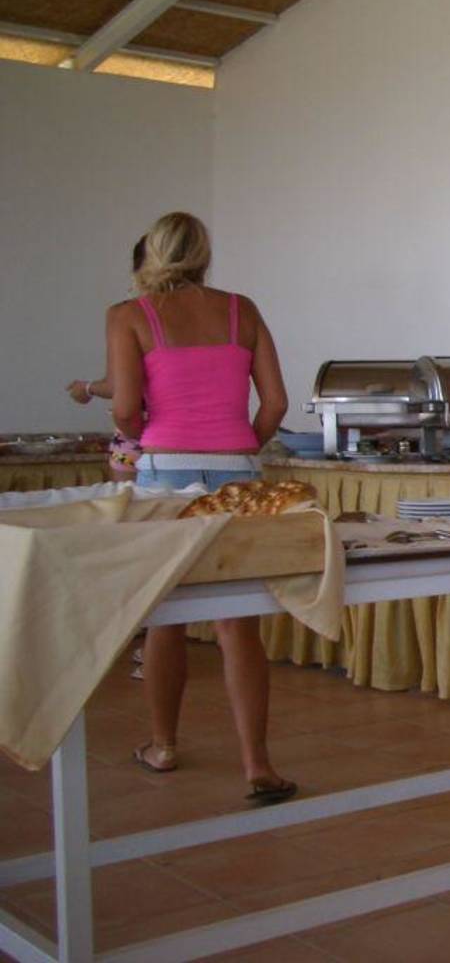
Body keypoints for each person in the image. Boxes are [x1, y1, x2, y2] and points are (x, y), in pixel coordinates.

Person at [107, 211, 296, 803]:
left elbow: (124, 409)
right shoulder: (242, 310)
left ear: (153, 255)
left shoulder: (128, 316)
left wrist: (145, 436)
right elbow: (276, 402)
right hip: (238, 470)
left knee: (166, 615)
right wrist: (241, 445)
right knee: (239, 622)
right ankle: (257, 764)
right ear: (204, 255)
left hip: (165, 471)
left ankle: (163, 746)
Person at [68, 239, 148, 482]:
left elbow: (115, 385)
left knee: (125, 504)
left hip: (134, 436)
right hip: (187, 440)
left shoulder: (124, 313)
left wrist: (87, 388)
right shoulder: (194, 315)